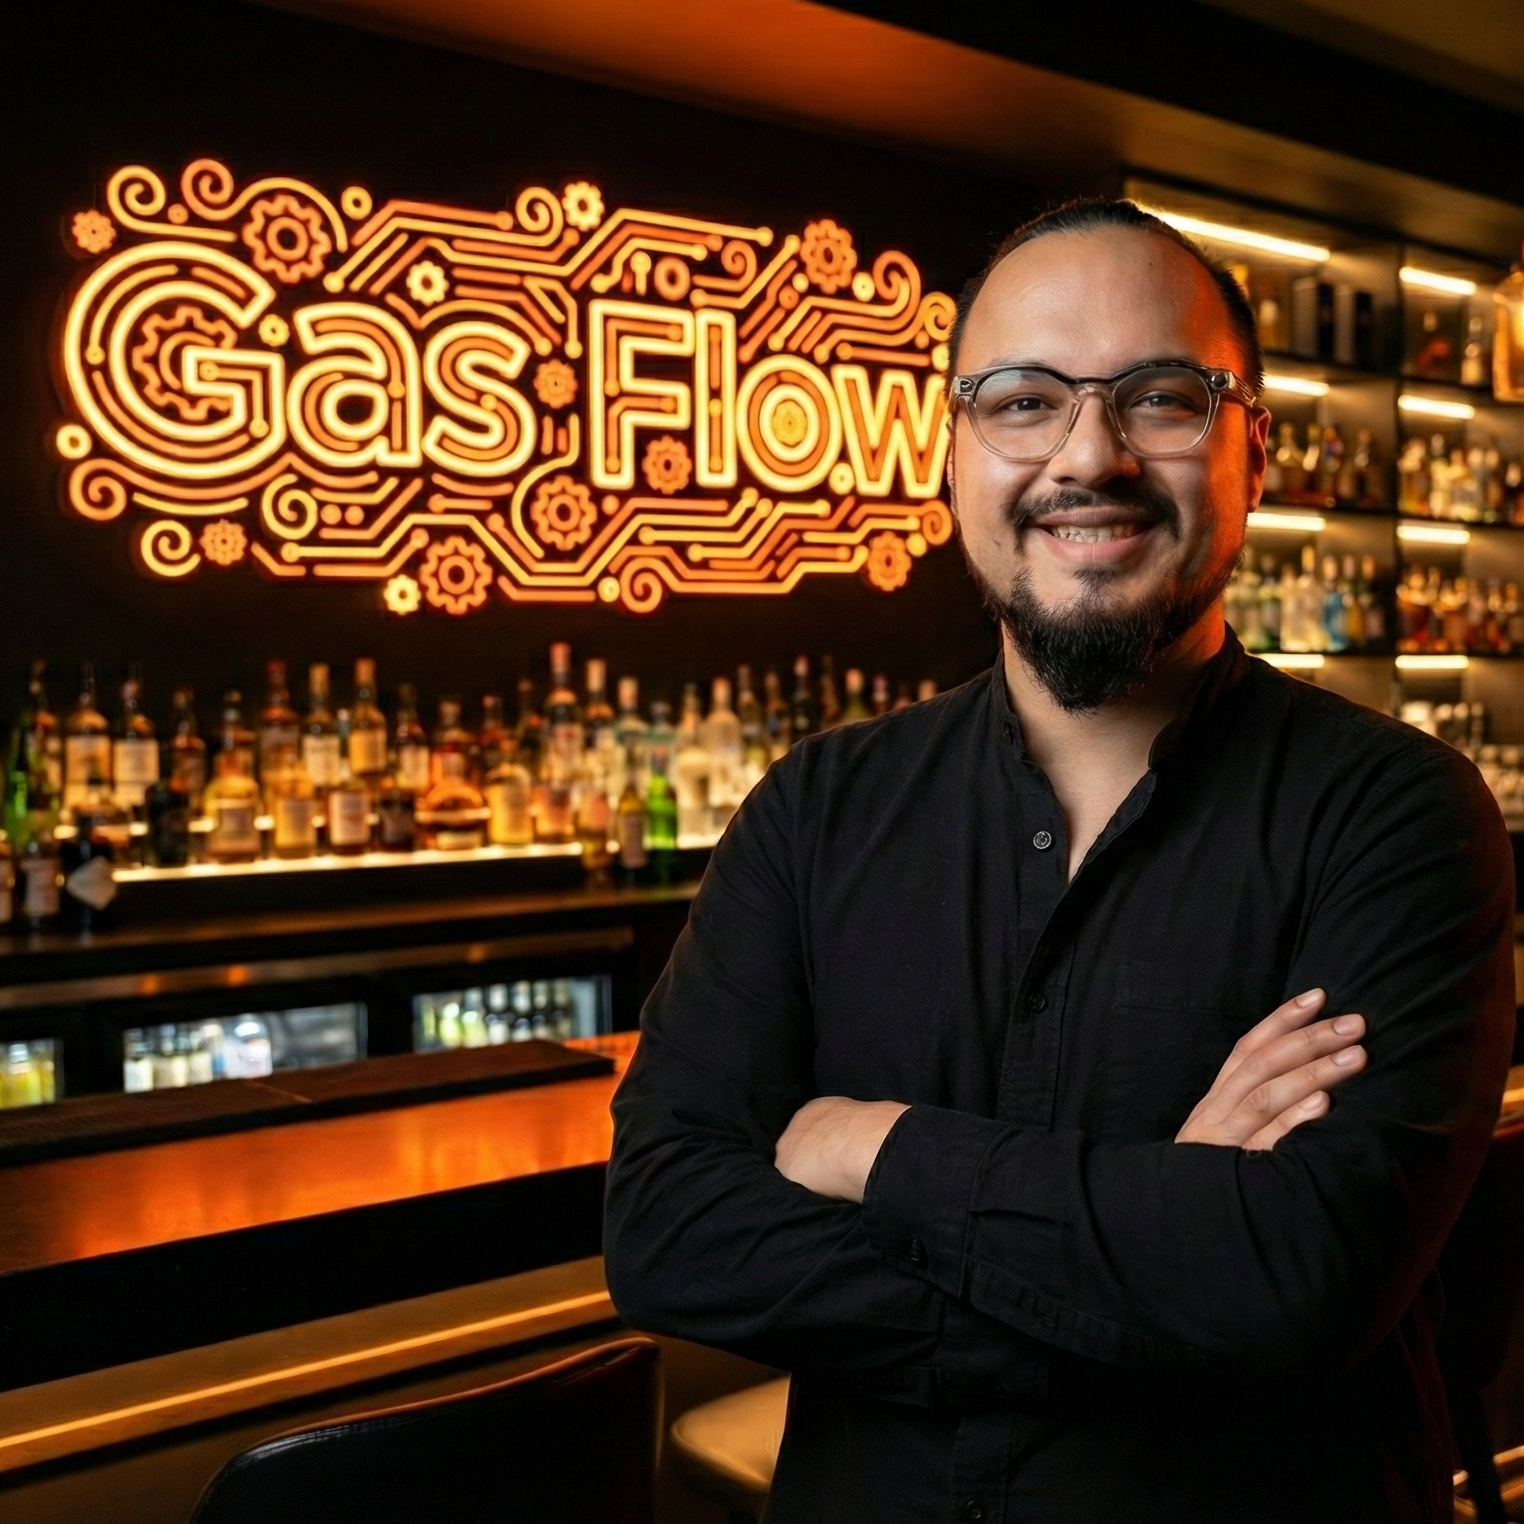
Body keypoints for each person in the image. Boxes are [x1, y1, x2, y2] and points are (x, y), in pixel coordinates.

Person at [604, 199, 1514, 1523]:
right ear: (954, 458)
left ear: (1254, 451)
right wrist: (1159, 1248)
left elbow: (1298, 1279)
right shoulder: (817, 810)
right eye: (1024, 401)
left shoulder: (1398, 814)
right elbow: (670, 1235)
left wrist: (883, 1149)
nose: (1091, 455)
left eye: (1161, 398)